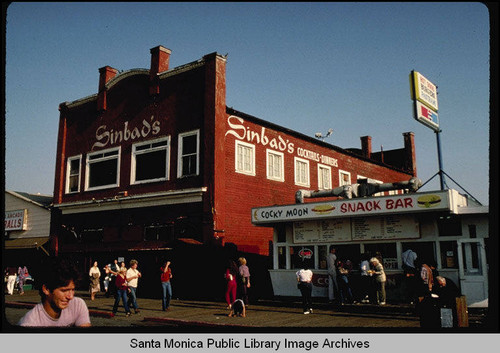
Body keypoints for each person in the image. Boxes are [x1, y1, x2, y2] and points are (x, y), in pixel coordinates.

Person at [18, 257, 91, 327]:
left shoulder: (77, 305)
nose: (71, 296)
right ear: (46, 289)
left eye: (72, 290)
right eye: (64, 290)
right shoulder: (30, 323)